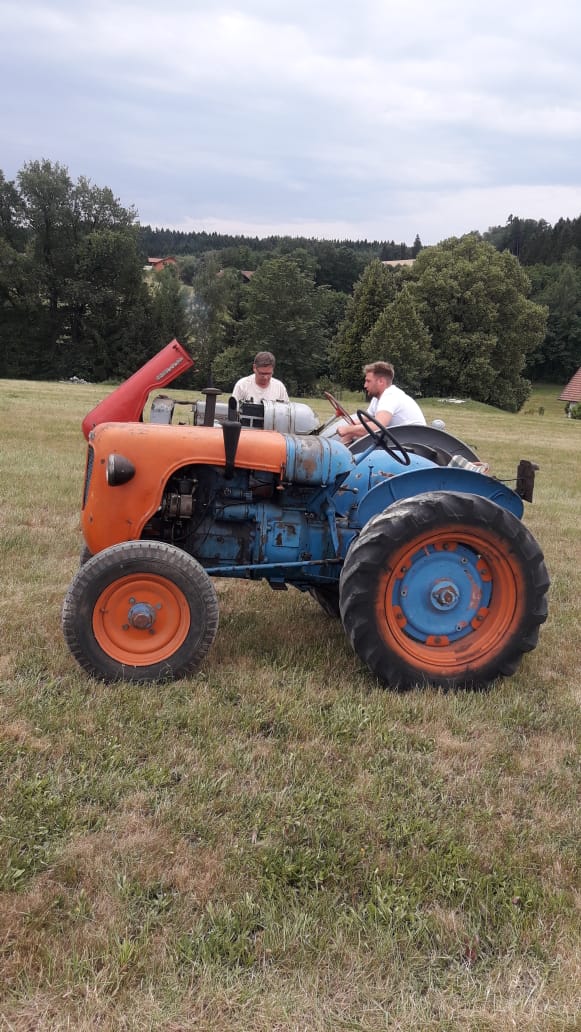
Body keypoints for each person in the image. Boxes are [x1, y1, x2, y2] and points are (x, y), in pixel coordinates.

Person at [336, 360, 425, 444]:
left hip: (413, 443)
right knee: (352, 433)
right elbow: (364, 420)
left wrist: (348, 430)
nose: (365, 385)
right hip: (399, 440)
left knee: (353, 433)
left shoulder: (391, 396)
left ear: (381, 381)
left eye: (368, 381)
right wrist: (349, 426)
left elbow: (377, 427)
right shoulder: (377, 398)